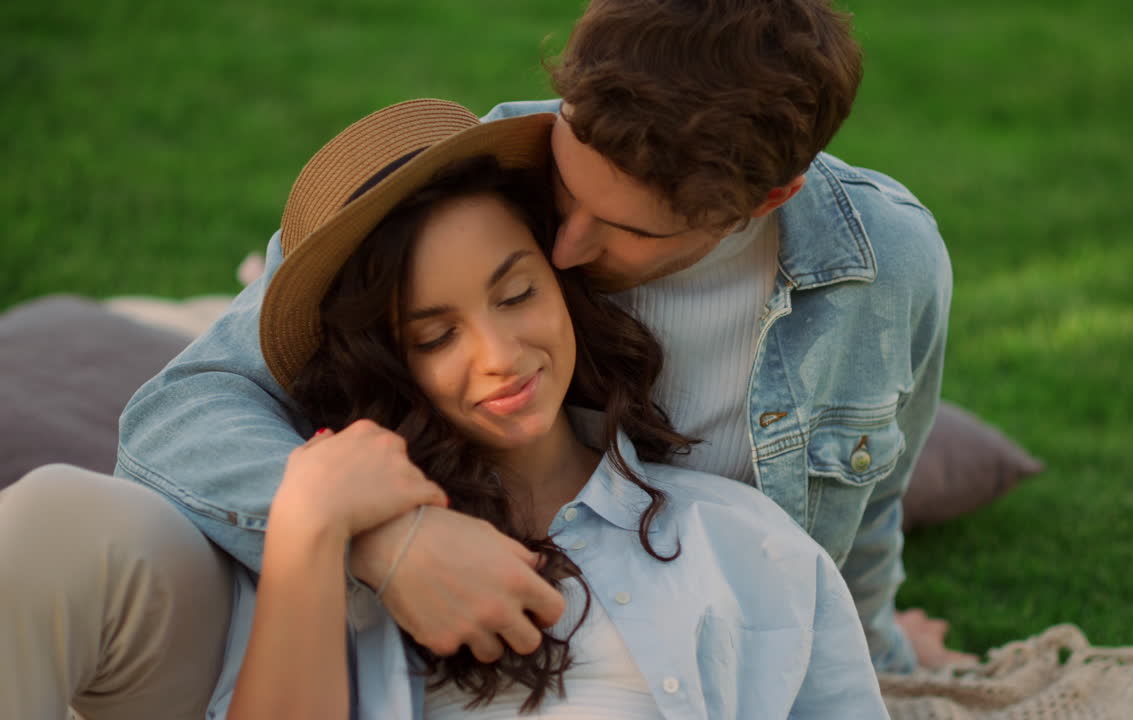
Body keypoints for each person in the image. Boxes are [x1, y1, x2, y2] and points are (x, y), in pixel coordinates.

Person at [0, 1, 955, 716]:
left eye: (617, 229)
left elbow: (863, 516)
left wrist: (872, 656)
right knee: (53, 517)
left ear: (762, 201)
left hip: (637, 607)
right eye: (562, 186)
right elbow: (185, 407)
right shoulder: (457, 175)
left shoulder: (879, 270)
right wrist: (383, 541)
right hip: (343, 595)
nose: (567, 240)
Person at [210, 97, 887, 719]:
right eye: (435, 336)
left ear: (561, 282)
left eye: (516, 295)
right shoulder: (320, 557)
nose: (499, 355)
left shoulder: (742, 543)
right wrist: (312, 524)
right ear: (385, 364)